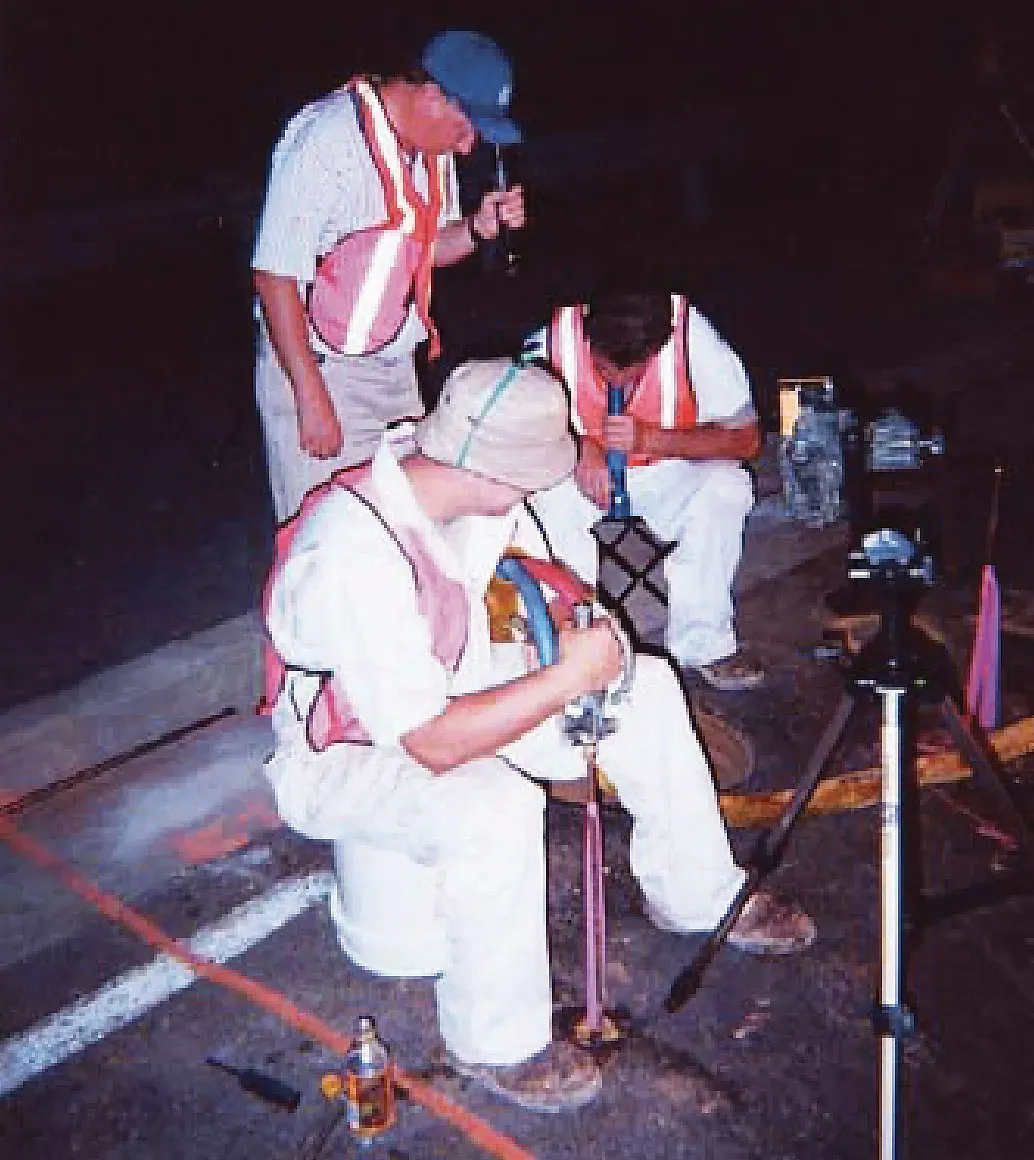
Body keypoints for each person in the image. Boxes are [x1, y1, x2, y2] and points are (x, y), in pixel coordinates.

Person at [261, 357, 816, 1114]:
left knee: (643, 689)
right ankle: (497, 1040)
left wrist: (563, 626)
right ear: (495, 470)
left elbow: (526, 575)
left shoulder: (458, 478)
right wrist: (562, 679)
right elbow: (430, 743)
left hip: (451, 680)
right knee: (488, 805)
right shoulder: (355, 555)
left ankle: (698, 893)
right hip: (349, 749)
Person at [252, 30, 526, 522]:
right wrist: (311, 396)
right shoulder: (326, 142)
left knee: (404, 524)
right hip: (320, 368)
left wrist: (480, 229)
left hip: (394, 368)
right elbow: (275, 276)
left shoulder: (429, 152)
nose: (467, 150)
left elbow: (426, 250)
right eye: (467, 131)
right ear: (431, 96)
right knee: (324, 533)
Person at [521, 287, 765, 691]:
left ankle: (703, 645)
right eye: (603, 368)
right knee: (541, 495)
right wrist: (579, 447)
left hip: (667, 469)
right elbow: (516, 426)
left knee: (728, 486)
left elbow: (746, 440)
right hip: (579, 472)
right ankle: (575, 639)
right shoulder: (554, 336)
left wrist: (655, 441)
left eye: (632, 370)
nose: (616, 380)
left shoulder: (693, 336)